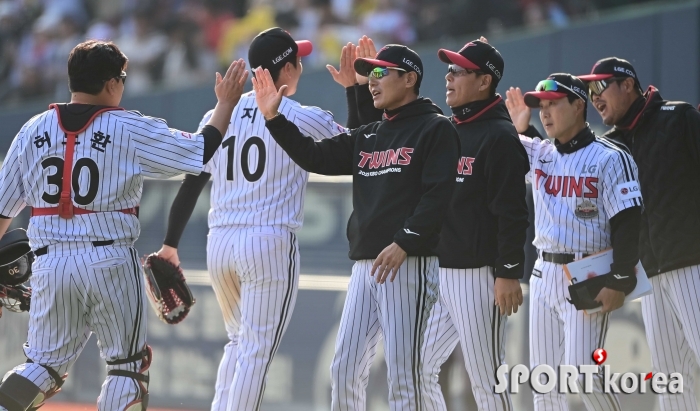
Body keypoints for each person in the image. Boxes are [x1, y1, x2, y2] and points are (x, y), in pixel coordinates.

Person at [0, 40, 247, 411]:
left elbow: (3, 211)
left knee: (43, 366)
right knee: (127, 369)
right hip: (109, 260)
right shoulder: (127, 126)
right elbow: (199, 151)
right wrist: (225, 104)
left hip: (50, 264)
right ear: (112, 83)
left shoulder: (32, 130)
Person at [253, 44, 460, 410]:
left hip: (407, 262)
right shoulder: (369, 134)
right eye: (371, 75)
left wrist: (404, 242)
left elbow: (438, 196)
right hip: (366, 266)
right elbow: (314, 155)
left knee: (404, 375)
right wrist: (274, 118)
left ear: (410, 78)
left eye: (381, 74)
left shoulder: (435, 127)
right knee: (345, 369)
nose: (373, 82)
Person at [155, 27, 348, 411]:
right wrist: (355, 89)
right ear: (288, 69)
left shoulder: (218, 113)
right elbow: (361, 145)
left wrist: (169, 244)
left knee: (238, 342)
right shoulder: (302, 116)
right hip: (267, 242)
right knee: (256, 352)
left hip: (221, 242)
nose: (300, 66)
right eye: (298, 61)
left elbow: (192, 181)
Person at [504, 74, 641, 411]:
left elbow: (628, 220)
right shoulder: (539, 151)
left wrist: (621, 277)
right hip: (542, 271)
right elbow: (487, 138)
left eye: (553, 104)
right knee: (544, 382)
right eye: (541, 106)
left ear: (579, 105)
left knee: (584, 376)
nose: (545, 112)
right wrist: (520, 128)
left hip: (587, 271)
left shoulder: (610, 156)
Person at [578, 57, 700, 411]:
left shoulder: (679, 118)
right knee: (671, 378)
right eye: (589, 90)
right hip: (648, 278)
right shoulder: (610, 147)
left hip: (692, 265)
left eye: (600, 86)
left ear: (627, 84)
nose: (594, 97)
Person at [418, 39, 529, 411]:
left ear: (484, 81)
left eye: (459, 71)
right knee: (418, 368)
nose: (448, 77)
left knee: (486, 383)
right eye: (449, 70)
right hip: (441, 271)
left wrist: (508, 271)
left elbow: (512, 212)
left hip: (478, 275)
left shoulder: (499, 135)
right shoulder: (450, 127)